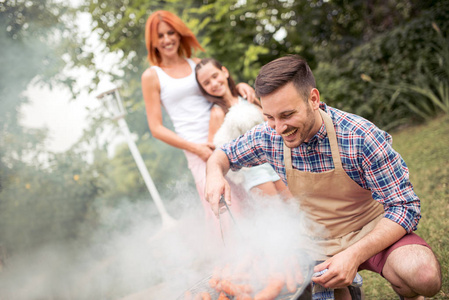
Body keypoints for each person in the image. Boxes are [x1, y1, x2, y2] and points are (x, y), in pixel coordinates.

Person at [204, 55, 441, 299]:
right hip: (316, 240)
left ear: (313, 99)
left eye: (287, 115)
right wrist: (214, 175)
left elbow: (405, 206)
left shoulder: (359, 136)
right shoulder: (269, 136)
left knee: (423, 276)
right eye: (270, 117)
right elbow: (223, 155)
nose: (279, 128)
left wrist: (353, 255)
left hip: (371, 228)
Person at [141, 10, 255, 224]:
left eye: (171, 32)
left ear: (179, 34)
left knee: (248, 198)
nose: (167, 39)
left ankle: (260, 254)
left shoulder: (197, 63)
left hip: (226, 138)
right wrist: (196, 149)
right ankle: (231, 256)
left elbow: (221, 88)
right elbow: (156, 128)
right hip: (198, 150)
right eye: (160, 35)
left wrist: (239, 86)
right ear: (153, 41)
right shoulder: (152, 76)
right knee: (223, 208)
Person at [195, 58, 290, 198]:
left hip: (275, 156)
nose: (214, 84)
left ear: (224, 72)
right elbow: (214, 147)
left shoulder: (246, 95)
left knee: (294, 204)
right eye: (206, 83)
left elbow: (268, 116)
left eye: (215, 76)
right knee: (275, 209)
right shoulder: (217, 112)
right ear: (203, 89)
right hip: (252, 169)